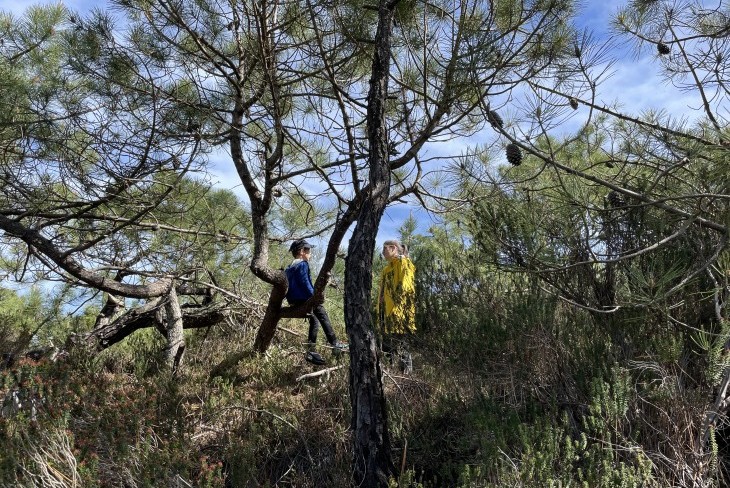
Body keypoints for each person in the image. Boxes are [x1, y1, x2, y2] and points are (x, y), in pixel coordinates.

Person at [286, 238, 347, 365]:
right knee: (321, 312)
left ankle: (311, 351)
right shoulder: (302, 264)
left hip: (294, 301)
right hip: (304, 299)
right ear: (302, 251)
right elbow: (305, 282)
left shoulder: (289, 268)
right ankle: (335, 344)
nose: (310, 253)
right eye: (308, 250)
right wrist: (315, 296)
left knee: (314, 319)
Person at [377, 239, 416, 373]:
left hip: (399, 312)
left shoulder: (404, 263)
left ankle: (406, 375)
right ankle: (389, 372)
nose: (382, 252)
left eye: (385, 248)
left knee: (401, 343)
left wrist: (398, 309)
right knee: (387, 344)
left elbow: (406, 288)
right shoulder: (386, 268)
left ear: (393, 248)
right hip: (385, 312)